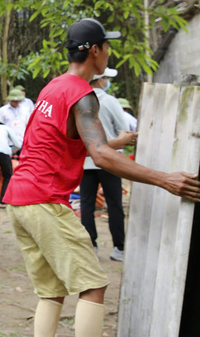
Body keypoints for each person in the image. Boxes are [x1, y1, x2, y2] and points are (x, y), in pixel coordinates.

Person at [3, 18, 200, 337]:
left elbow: (59, 145)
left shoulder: (53, 87)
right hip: (45, 201)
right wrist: (166, 179)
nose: (109, 53)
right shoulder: (83, 95)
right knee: (94, 286)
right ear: (94, 50)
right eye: (107, 47)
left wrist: (113, 142)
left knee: (51, 290)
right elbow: (99, 157)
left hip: (19, 200)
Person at [80, 68, 137, 262]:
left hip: (86, 160)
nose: (107, 81)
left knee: (87, 205)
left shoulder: (79, 101)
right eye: (106, 78)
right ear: (101, 81)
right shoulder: (110, 101)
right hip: (109, 159)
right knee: (114, 205)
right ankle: (119, 248)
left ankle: (91, 246)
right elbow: (124, 130)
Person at [0, 117, 21, 203]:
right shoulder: (6, 128)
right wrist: (10, 151)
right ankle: (3, 200)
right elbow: (18, 145)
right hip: (4, 152)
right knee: (8, 175)